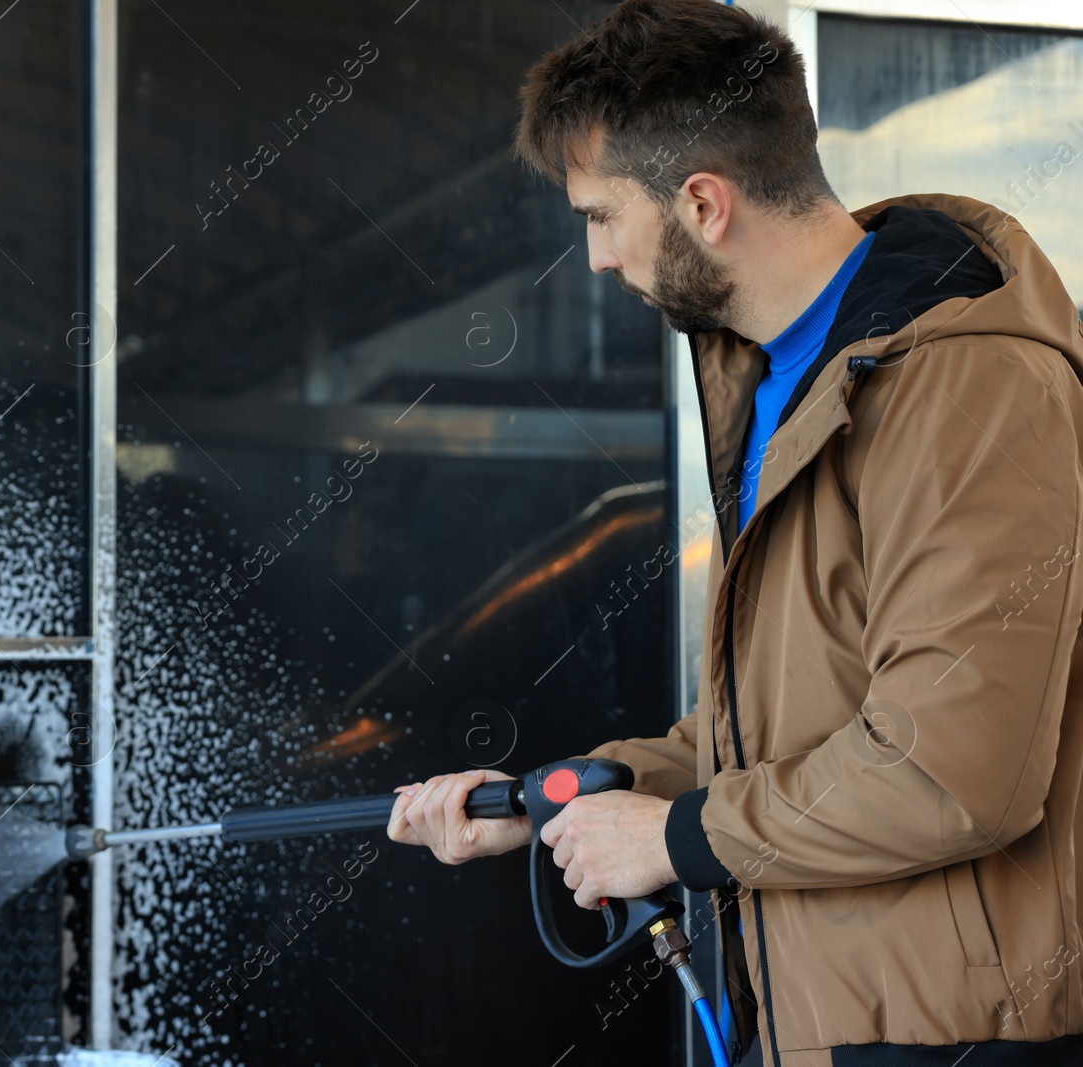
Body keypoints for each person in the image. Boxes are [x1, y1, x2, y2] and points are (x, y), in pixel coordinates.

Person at [387, 1, 1083, 1064]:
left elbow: (951, 770)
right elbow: (783, 733)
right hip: (815, 1021)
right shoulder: (771, 382)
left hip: (949, 1036)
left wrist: (669, 837)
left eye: (600, 216)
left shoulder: (968, 388)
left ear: (703, 204)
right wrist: (565, 797)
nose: (595, 261)